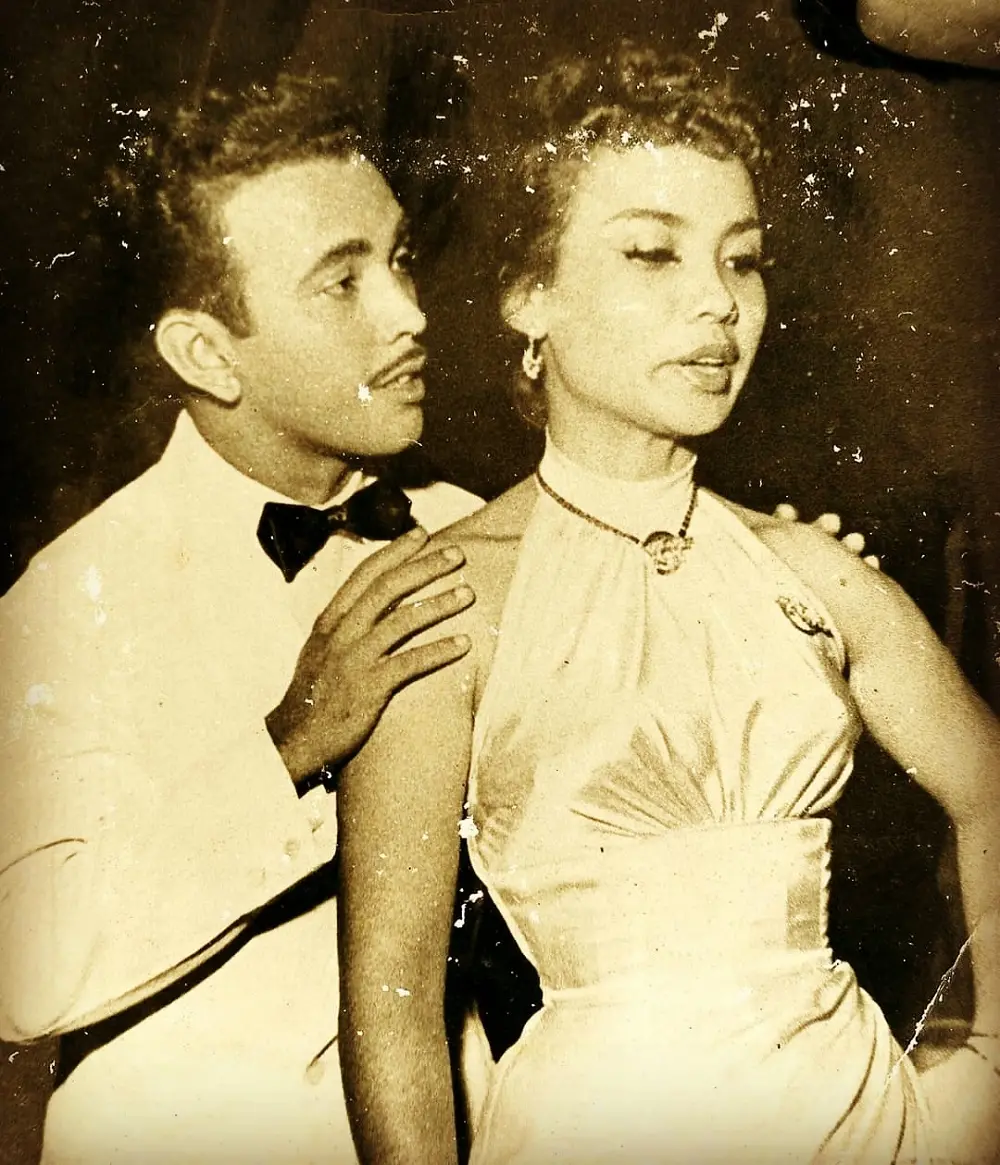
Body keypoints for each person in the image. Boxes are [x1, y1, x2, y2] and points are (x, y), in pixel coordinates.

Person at [336, 45, 1000, 1165]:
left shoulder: (815, 570)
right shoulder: (443, 596)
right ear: (529, 295)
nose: (718, 302)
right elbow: (391, 1009)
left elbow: (988, 787)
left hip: (868, 1128)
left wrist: (989, 1068)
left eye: (742, 260)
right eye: (651, 252)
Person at [0, 75, 486, 1163]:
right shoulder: (70, 600)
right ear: (207, 355)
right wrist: (290, 745)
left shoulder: (469, 529)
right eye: (342, 282)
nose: (408, 312)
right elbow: (20, 974)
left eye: (399, 258)